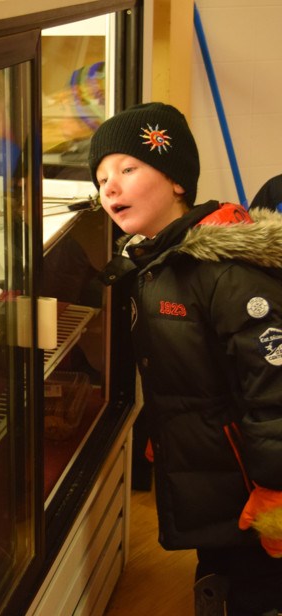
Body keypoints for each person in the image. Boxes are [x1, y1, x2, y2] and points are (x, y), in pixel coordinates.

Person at [90, 102, 282, 616]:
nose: (110, 187)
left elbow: (273, 386)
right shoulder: (157, 260)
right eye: (102, 176)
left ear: (177, 181)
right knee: (221, 568)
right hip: (212, 475)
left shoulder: (228, 272)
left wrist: (277, 487)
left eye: (128, 168)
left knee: (258, 584)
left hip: (252, 487)